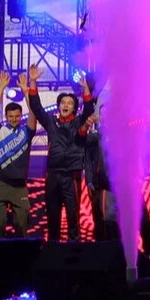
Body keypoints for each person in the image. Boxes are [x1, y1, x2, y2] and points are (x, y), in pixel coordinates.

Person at [81, 112, 150, 267]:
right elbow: (87, 157)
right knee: (107, 222)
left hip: (129, 186)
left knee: (143, 218)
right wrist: (89, 180)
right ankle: (109, 255)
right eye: (103, 114)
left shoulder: (128, 132)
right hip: (107, 187)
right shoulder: (96, 136)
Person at [28, 64, 95, 242]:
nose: (66, 105)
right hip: (52, 175)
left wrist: (85, 87)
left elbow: (89, 108)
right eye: (63, 102)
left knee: (73, 216)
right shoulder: (51, 122)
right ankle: (53, 250)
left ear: (74, 108)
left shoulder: (79, 121)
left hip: (71, 175)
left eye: (70, 103)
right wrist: (33, 81)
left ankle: (74, 250)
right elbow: (36, 107)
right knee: (52, 215)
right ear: (58, 106)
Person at [0, 72, 36, 238]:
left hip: (19, 186)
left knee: (21, 228)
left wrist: (25, 90)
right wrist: (1, 87)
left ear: (21, 116)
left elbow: (33, 112)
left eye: (17, 116)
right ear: (6, 116)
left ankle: (20, 255)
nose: (14, 119)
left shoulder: (27, 132)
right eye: (10, 116)